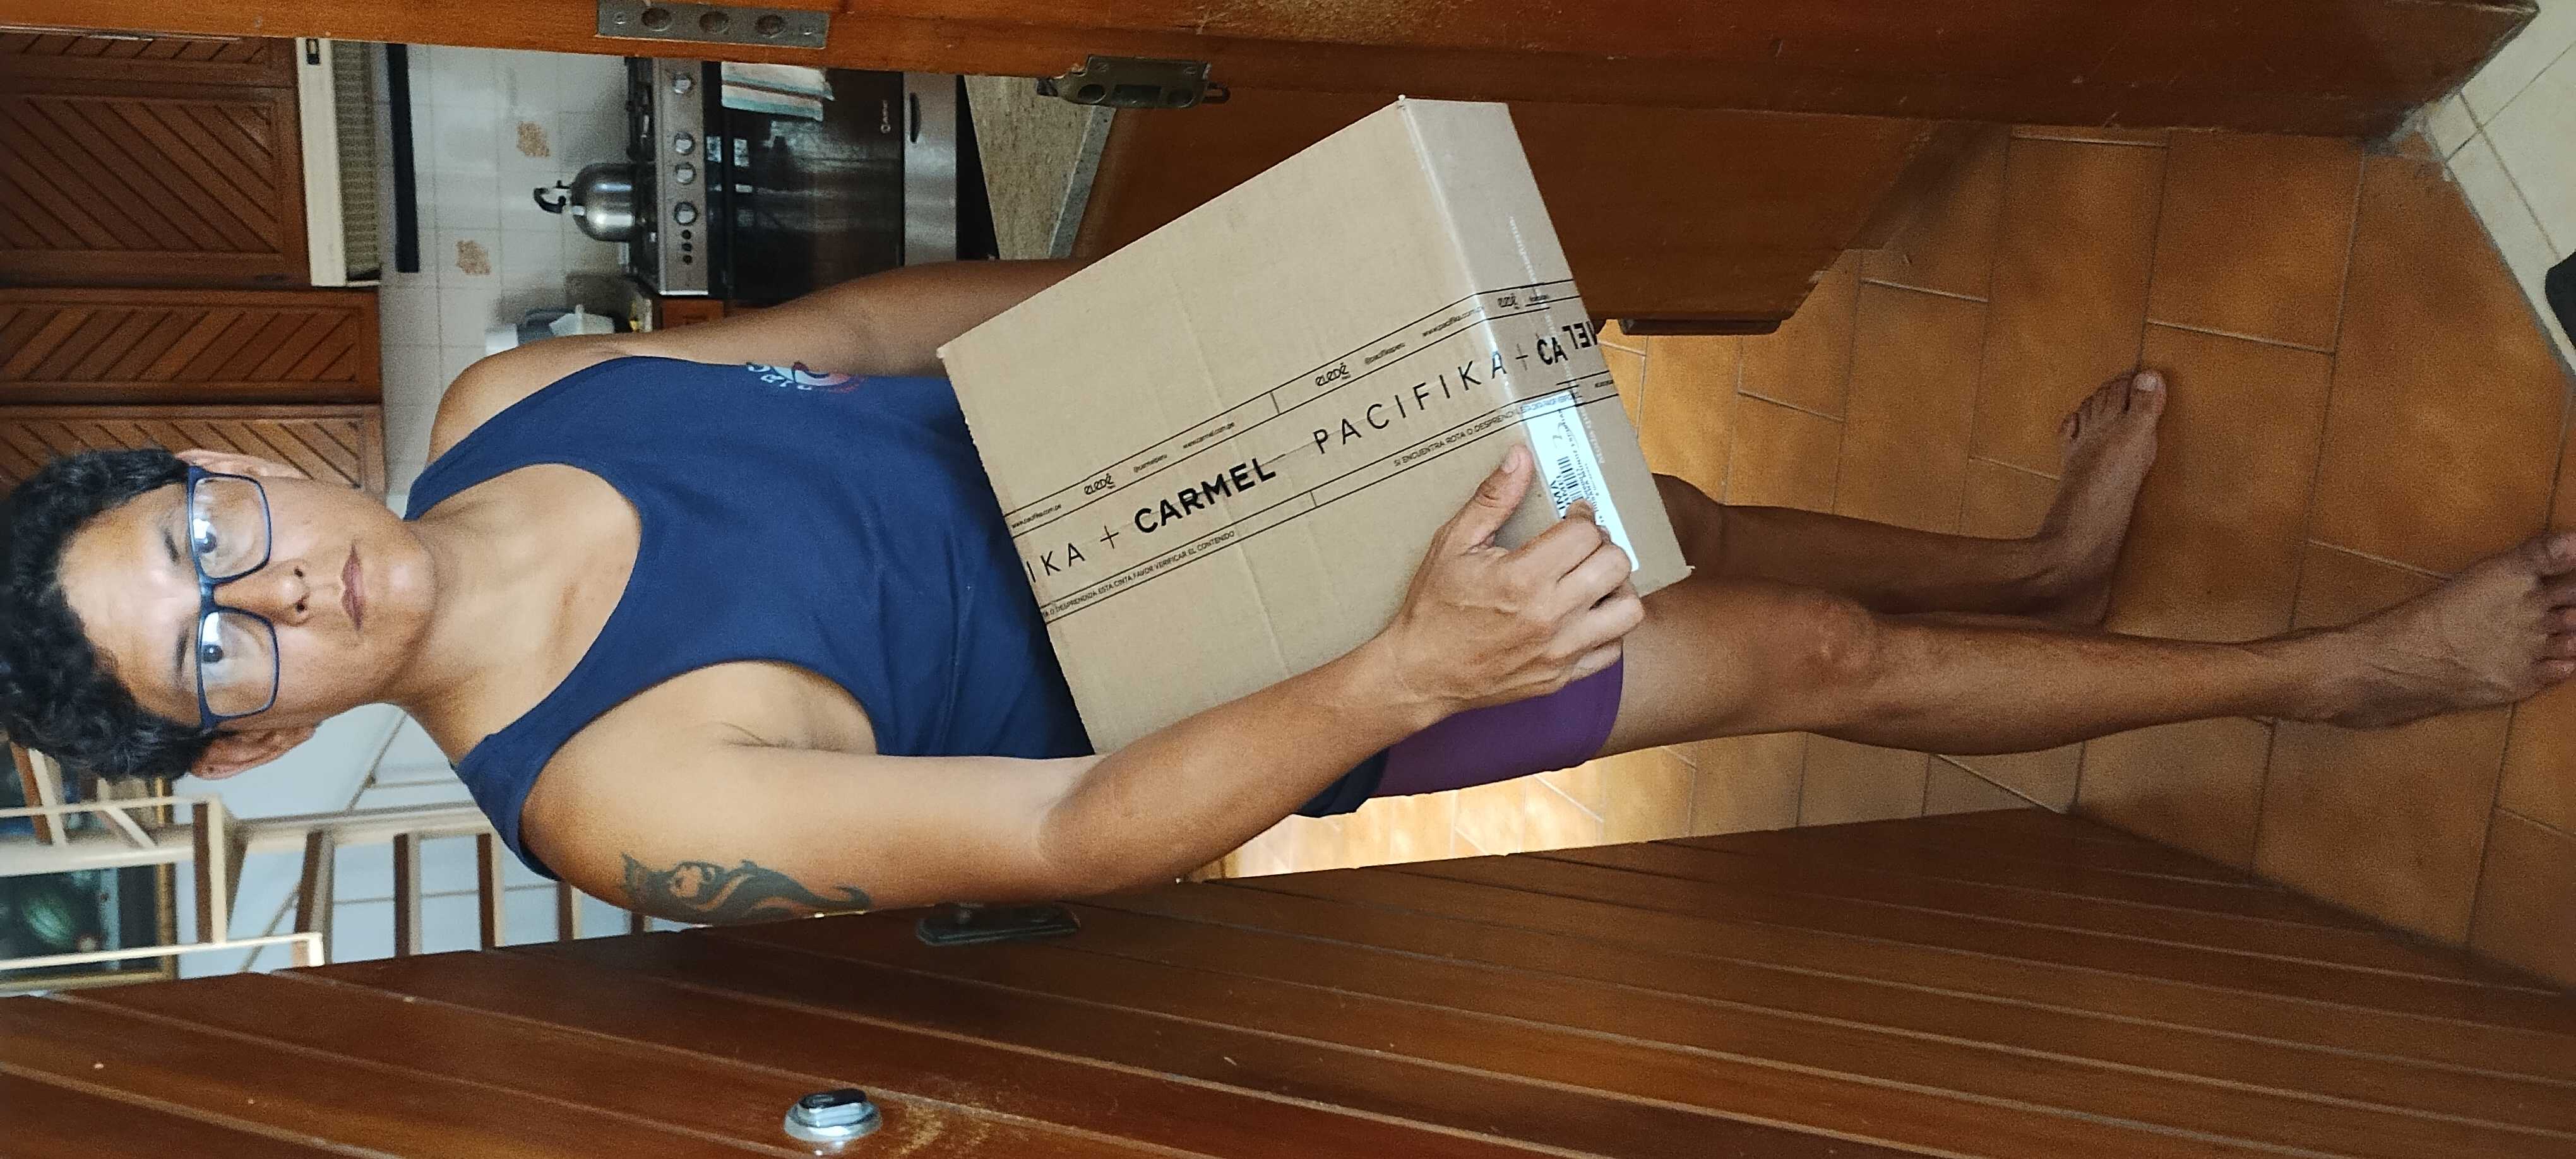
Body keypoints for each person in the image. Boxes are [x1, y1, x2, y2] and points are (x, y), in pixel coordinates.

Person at [6, 260, 2572, 925]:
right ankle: (2347, 676)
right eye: (217, 647)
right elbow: (1076, 835)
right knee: (1807, 662)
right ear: (255, 738)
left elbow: (876, 341)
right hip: (1278, 670)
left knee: (1677, 502)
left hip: (1189, 470)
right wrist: (1402, 669)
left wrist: (1212, 330)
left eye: (210, 536)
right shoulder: (610, 801)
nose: (274, 586)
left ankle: (2047, 557)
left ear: (232, 464)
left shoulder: (507, 400)